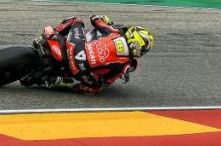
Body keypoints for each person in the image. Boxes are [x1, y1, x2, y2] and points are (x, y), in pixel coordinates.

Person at [24, 15, 154, 95]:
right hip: (79, 70)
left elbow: (94, 18)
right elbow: (107, 81)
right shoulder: (125, 64)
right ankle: (60, 81)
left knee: (76, 20)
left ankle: (49, 35)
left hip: (73, 46)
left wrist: (107, 21)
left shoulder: (114, 32)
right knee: (96, 88)